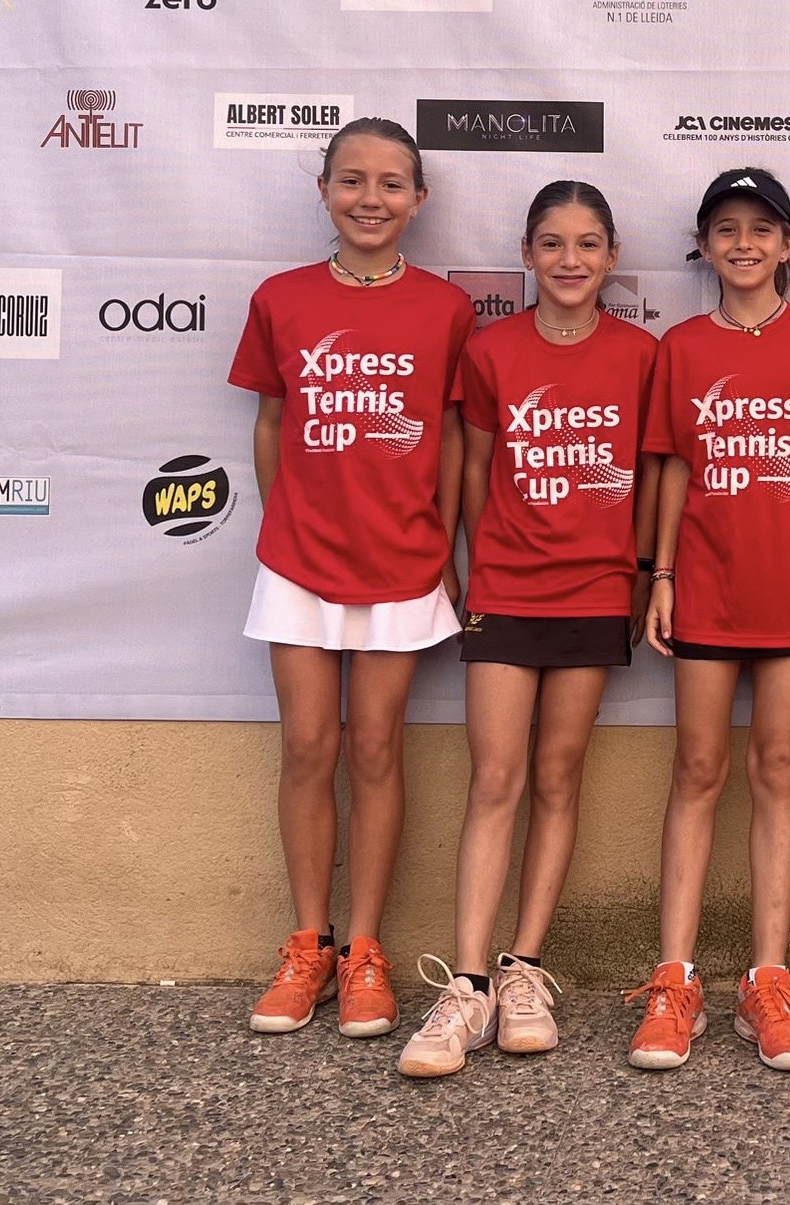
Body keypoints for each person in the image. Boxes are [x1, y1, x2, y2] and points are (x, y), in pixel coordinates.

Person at [398, 182, 659, 1078]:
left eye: (588, 243)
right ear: (526, 254)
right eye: (552, 243)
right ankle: (467, 984)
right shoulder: (491, 349)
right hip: (507, 588)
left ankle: (523, 973)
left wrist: (640, 573)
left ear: (612, 256)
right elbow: (473, 466)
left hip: (595, 590)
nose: (570, 260)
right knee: (496, 778)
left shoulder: (641, 354)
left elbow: (651, 472)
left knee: (557, 775)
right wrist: (474, 565)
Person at [229, 117, 474, 1039]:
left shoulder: (446, 309)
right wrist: (282, 521)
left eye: (390, 183)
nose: (371, 199)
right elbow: (271, 422)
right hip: (297, 562)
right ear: (325, 190)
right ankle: (309, 947)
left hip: (404, 561)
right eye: (352, 181)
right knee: (307, 747)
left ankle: (366, 950)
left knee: (375, 750)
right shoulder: (281, 298)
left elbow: (451, 437)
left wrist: (443, 547)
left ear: (419, 198)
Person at [625, 168, 790, 1073]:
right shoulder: (680, 347)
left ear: (788, 244)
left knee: (779, 767)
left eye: (761, 228)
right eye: (726, 228)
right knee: (698, 767)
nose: (744, 243)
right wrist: (661, 575)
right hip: (706, 588)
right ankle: (675, 981)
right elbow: (674, 466)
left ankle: (768, 982)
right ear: (704, 246)